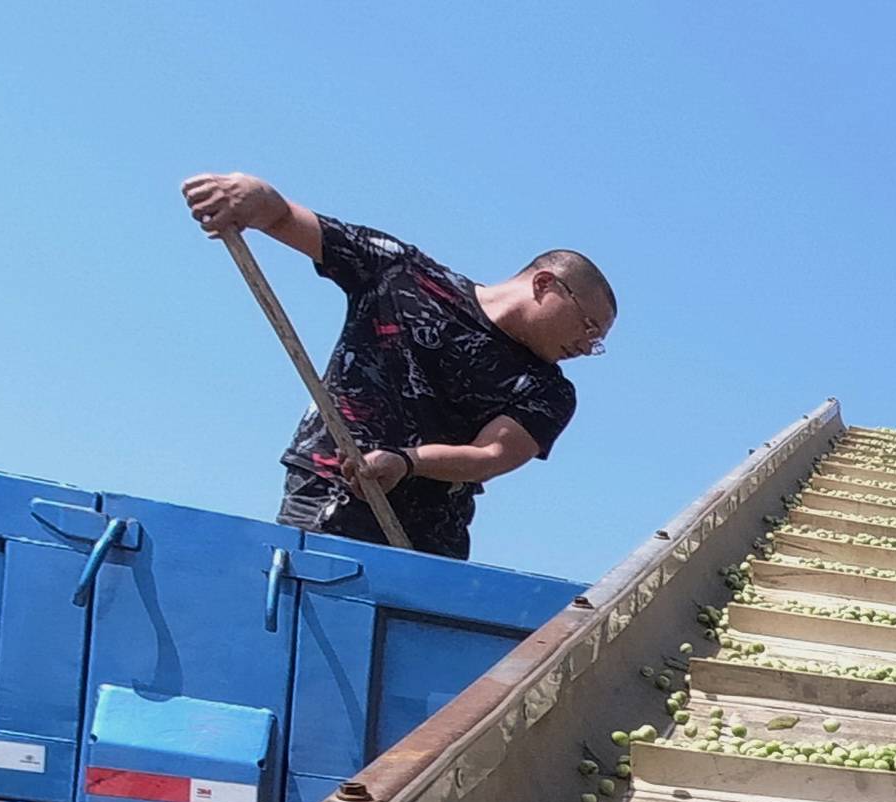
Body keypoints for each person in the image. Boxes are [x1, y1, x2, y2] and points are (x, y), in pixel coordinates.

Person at [181, 172, 613, 559]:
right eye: (588, 325)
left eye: (597, 342)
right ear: (545, 285)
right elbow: (286, 218)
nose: (587, 344)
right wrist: (254, 196)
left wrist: (406, 461)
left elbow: (489, 454)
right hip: (329, 498)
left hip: (428, 540)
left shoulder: (549, 391)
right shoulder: (403, 274)